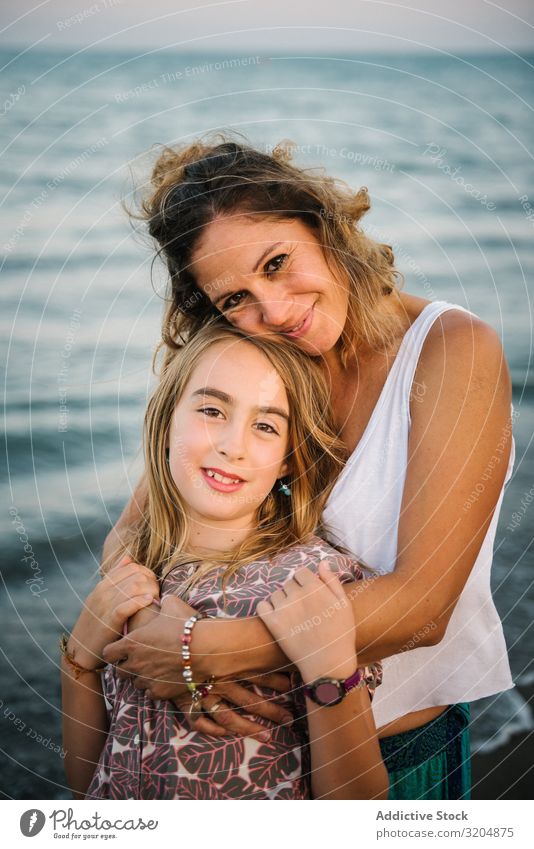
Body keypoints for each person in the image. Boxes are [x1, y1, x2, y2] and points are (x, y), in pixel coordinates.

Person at [102, 133, 515, 799]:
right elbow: (131, 536)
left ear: (321, 223)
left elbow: (422, 607)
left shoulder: (450, 351)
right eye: (233, 298)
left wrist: (199, 650)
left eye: (276, 262)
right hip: (243, 763)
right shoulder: (265, 360)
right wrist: (154, 621)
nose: (273, 309)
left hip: (393, 754)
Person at [61, 324, 388, 800]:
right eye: (212, 410)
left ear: (287, 460)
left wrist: (331, 668)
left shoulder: (312, 581)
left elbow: (359, 807)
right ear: (165, 420)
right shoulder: (137, 574)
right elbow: (88, 779)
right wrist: (79, 662)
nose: (233, 446)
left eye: (265, 426)